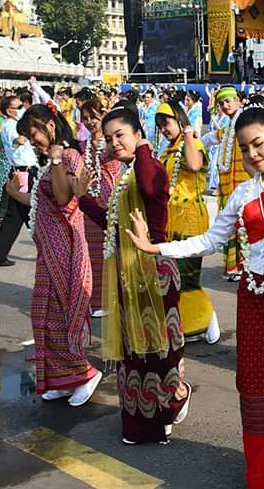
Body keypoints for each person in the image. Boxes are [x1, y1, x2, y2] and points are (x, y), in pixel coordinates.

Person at [125, 103, 264, 489]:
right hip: (254, 300)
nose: (252, 155)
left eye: (259, 144)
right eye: (244, 149)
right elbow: (211, 241)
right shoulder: (244, 192)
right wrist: (156, 247)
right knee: (257, 386)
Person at [74, 107, 190, 445]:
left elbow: (152, 188)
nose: (114, 142)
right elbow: (112, 226)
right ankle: (142, 421)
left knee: (159, 350)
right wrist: (82, 199)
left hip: (155, 272)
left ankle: (172, 401)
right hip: (128, 273)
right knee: (134, 353)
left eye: (120, 135)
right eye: (109, 138)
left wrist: (139, 149)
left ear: (138, 134)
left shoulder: (148, 167)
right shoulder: (127, 176)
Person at [10, 103, 102, 405]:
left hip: (66, 248)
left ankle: (85, 374)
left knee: (62, 317)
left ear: (50, 125)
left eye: (33, 133)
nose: (31, 140)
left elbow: (63, 198)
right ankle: (62, 379)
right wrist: (14, 194)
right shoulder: (52, 162)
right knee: (43, 317)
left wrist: (58, 159)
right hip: (48, 249)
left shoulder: (69, 157)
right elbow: (41, 200)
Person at [155, 100, 220, 344]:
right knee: (173, 277)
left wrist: (190, 135)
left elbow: (194, 166)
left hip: (189, 219)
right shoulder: (168, 149)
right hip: (170, 220)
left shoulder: (192, 143)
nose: (164, 129)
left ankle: (206, 319)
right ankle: (190, 324)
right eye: (160, 125)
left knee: (187, 276)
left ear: (179, 119)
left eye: (168, 123)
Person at [77, 97, 122, 317]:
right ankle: (95, 300)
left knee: (111, 253)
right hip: (89, 202)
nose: (89, 122)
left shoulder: (113, 143)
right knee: (92, 252)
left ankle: (112, 298)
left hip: (110, 199)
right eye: (85, 119)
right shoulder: (82, 146)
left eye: (93, 117)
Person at [201, 86, 248, 280]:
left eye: (229, 101)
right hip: (229, 184)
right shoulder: (228, 128)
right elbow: (209, 138)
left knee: (245, 224)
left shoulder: (247, 122)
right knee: (231, 223)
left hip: (245, 183)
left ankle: (246, 267)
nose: (225, 105)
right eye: (222, 103)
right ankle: (235, 266)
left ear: (238, 101)